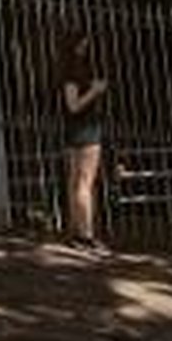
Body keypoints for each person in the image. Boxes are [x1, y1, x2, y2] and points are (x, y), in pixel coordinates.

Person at [57, 32, 110, 249]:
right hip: (85, 129)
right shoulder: (72, 74)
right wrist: (94, 91)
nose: (85, 49)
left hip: (75, 130)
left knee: (74, 181)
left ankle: (75, 232)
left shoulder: (67, 71)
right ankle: (86, 235)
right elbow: (73, 105)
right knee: (84, 182)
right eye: (83, 44)